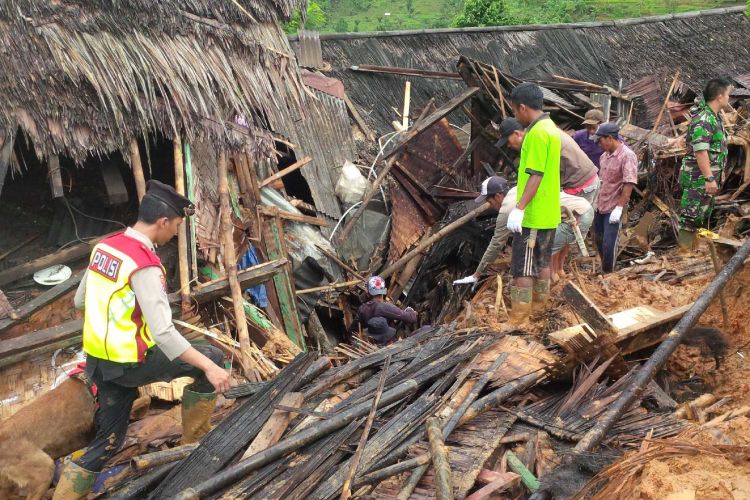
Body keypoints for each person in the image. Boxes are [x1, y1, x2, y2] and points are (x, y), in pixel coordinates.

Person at [54, 180, 231, 500]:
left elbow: (80, 301)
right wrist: (210, 368)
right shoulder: (145, 265)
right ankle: (194, 443)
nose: (176, 233)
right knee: (213, 359)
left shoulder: (105, 247)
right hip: (130, 364)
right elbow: (163, 332)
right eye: (177, 225)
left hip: (98, 362)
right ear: (163, 222)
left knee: (107, 444)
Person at [454, 185, 592, 286]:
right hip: (583, 208)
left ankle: (547, 289)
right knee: (554, 243)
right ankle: (557, 274)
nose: (490, 205)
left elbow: (496, 244)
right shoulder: (516, 189)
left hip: (576, 216)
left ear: (498, 196)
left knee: (539, 254)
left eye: (490, 201)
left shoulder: (507, 210)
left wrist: (476, 274)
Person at [506, 83, 561, 323]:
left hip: (533, 214)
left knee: (523, 268)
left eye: (515, 111)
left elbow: (535, 174)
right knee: (542, 262)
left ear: (522, 107)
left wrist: (519, 209)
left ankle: (519, 318)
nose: (516, 116)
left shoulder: (537, 134)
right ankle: (540, 311)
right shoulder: (551, 127)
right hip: (549, 211)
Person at [677, 78, 732, 250]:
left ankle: (693, 251)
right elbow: (701, 151)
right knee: (690, 216)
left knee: (700, 215)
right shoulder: (705, 119)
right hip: (698, 178)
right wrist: (709, 177)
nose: (729, 98)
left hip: (705, 179)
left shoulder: (714, 118)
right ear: (720, 96)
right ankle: (684, 253)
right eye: (728, 94)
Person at [496, 117, 600, 206]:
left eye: (508, 141)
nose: (508, 146)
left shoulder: (536, 139)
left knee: (567, 226)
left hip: (581, 184)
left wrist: (520, 206)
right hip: (586, 179)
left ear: (517, 134)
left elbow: (538, 176)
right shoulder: (540, 132)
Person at [592, 123, 637, 273]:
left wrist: (619, 208)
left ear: (610, 138)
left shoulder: (627, 156)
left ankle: (609, 273)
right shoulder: (604, 156)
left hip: (614, 206)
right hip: (600, 204)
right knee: (598, 239)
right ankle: (604, 266)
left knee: (608, 243)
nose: (599, 144)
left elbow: (628, 183)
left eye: (600, 141)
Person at [347, 276, 417, 345]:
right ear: (385, 291)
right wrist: (409, 310)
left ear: (367, 292)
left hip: (371, 345)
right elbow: (412, 318)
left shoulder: (362, 309)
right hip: (388, 345)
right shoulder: (385, 307)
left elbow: (352, 331)